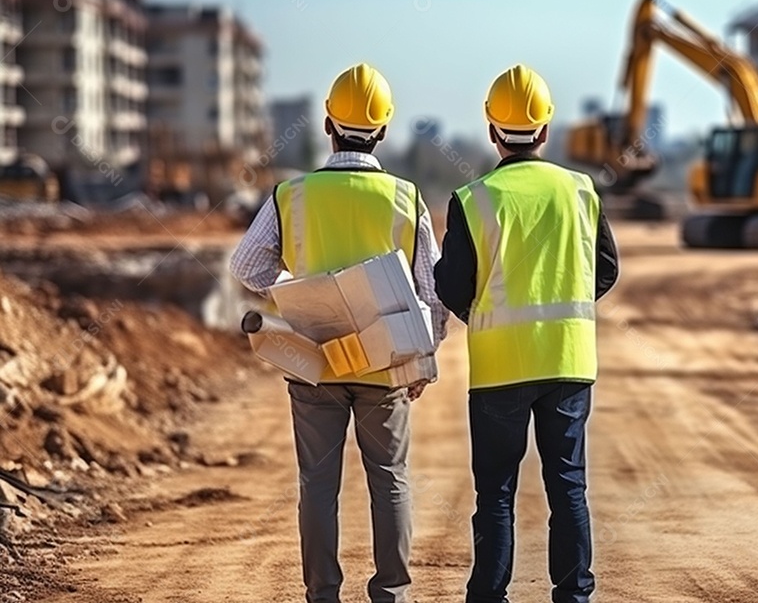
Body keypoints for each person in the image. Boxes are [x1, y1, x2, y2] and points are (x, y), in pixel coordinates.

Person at [230, 62, 447, 603]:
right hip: (387, 363)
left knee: (318, 486)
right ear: (385, 129)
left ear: (329, 124)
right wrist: (422, 358)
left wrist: (296, 292)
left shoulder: (292, 195)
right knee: (390, 480)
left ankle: (322, 594)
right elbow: (433, 291)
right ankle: (391, 593)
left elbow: (246, 267)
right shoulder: (406, 198)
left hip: (316, 362)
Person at [434, 65, 619, 603]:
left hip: (499, 369)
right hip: (568, 361)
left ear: (493, 130)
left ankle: (489, 597)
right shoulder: (582, 191)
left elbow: (450, 285)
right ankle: (575, 596)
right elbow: (605, 268)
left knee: (495, 494)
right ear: (545, 130)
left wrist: (489, 316)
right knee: (568, 488)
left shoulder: (473, 199)